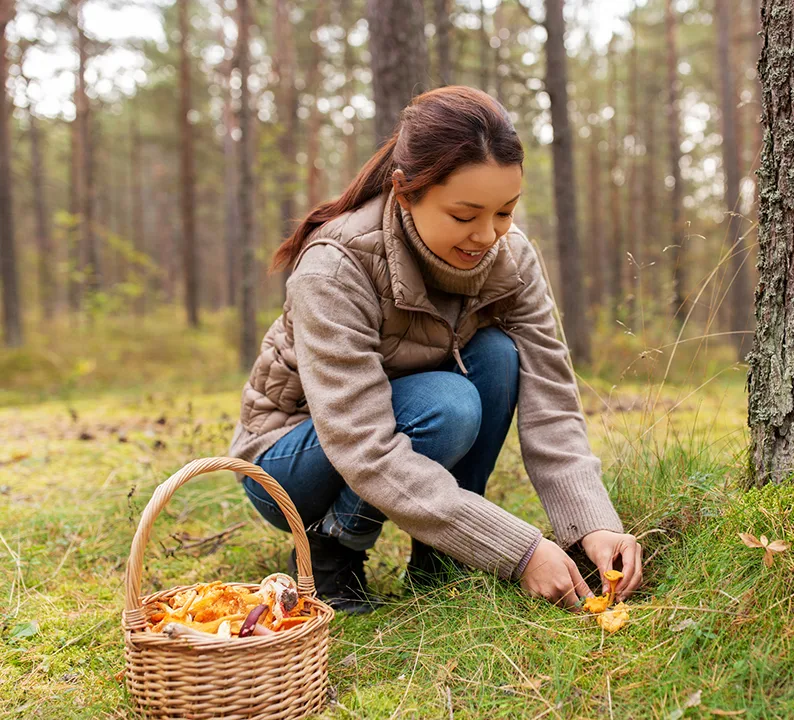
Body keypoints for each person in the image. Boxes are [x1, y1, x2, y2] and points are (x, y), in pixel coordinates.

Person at [228, 85, 641, 614]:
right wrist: (518, 551)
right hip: (288, 461)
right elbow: (365, 446)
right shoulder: (335, 265)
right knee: (449, 404)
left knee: (497, 355)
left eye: (504, 213)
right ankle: (331, 555)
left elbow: (552, 401)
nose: (487, 235)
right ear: (405, 191)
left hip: (399, 422)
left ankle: (441, 562)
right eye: (464, 216)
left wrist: (593, 523)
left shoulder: (510, 258)